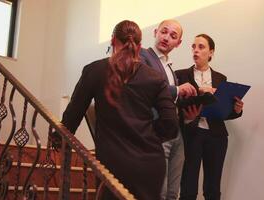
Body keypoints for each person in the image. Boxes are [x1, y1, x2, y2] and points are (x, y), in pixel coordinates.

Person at [59, 20, 179, 200]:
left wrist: (56, 136)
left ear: (112, 40)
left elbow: (72, 116)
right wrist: (150, 136)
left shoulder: (95, 70)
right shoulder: (155, 77)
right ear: (139, 47)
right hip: (150, 165)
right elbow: (171, 124)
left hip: (113, 164)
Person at [176, 34, 244, 200]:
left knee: (213, 187)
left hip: (216, 136)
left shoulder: (221, 79)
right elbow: (176, 105)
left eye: (201, 47)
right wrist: (201, 91)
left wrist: (236, 110)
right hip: (191, 134)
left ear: (211, 52)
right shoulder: (180, 75)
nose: (196, 50)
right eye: (193, 46)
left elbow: (223, 112)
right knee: (188, 186)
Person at [140, 19, 197, 200]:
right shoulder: (143, 56)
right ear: (155, 32)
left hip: (176, 133)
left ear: (178, 43)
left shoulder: (170, 67)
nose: (166, 38)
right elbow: (146, 88)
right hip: (156, 132)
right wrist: (179, 90)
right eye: (164, 32)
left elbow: (169, 100)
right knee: (160, 192)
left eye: (173, 36)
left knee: (173, 193)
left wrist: (189, 116)